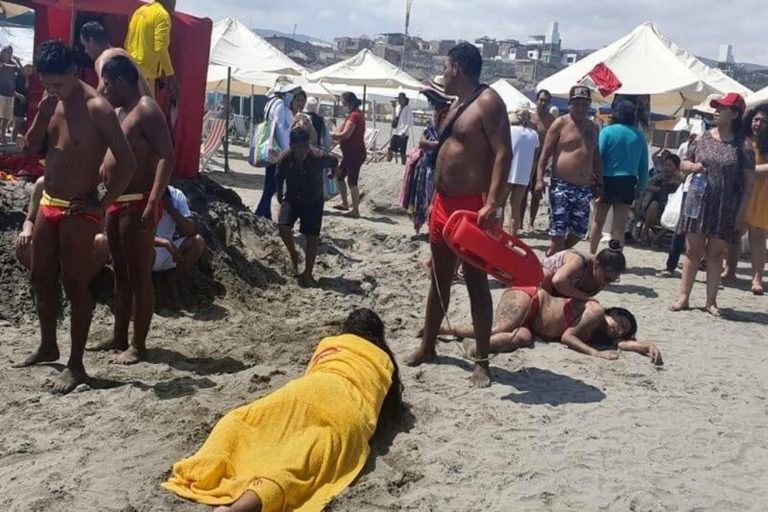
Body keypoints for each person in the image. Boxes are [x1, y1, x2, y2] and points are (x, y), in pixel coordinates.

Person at [162, 308, 405, 512]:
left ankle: (203, 469)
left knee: (243, 421)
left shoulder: (329, 343)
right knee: (299, 464)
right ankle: (239, 509)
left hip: (306, 390)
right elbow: (389, 407)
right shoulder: (383, 358)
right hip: (346, 408)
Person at [12, 41, 136, 393]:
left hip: (78, 210)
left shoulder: (98, 108)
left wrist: (103, 204)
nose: (53, 90)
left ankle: (76, 364)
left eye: (58, 84)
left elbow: (126, 161)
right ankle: (48, 344)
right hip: (48, 202)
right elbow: (31, 146)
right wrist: (42, 109)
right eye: (47, 84)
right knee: (39, 276)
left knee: (74, 283)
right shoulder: (52, 102)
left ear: (74, 73)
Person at [405, 42, 512, 388]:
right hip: (444, 204)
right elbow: (461, 146)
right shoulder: (458, 104)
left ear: (458, 69)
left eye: (446, 68)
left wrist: (493, 203)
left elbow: (502, 154)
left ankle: (482, 361)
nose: (443, 75)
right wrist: (435, 149)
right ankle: (429, 345)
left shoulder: (489, 101)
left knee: (477, 284)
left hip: (471, 206)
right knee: (439, 278)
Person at [94, 55, 176, 365]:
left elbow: (167, 156)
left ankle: (139, 346)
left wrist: (154, 201)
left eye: (106, 83)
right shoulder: (120, 112)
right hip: (117, 203)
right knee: (121, 274)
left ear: (119, 81)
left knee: (139, 275)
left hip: (139, 202)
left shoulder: (146, 109)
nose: (103, 89)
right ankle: (119, 336)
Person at [670, 93, 755, 316]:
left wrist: (742, 213)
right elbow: (683, 163)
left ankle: (711, 301)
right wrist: (694, 167)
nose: (716, 111)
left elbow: (748, 184)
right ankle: (684, 297)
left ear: (734, 114)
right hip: (697, 201)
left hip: (725, 206)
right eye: (716, 107)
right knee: (692, 251)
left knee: (716, 254)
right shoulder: (701, 138)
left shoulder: (743, 146)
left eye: (723, 108)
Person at [438, 288, 662, 366]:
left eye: (623, 330)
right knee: (498, 328)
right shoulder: (596, 311)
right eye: (620, 323)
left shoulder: (604, 332)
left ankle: (475, 345)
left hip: (534, 325)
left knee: (521, 339)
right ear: (612, 312)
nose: (618, 330)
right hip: (532, 298)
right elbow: (567, 337)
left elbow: (624, 344)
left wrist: (648, 346)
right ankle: (443, 330)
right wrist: (596, 353)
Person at [536, 86, 602, 256]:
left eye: (584, 104)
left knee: (578, 232)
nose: (581, 108)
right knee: (558, 232)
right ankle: (553, 270)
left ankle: (553, 255)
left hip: (583, 188)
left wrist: (600, 182)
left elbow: (596, 156)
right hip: (560, 185)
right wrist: (539, 179)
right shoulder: (560, 123)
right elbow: (545, 153)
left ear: (589, 105)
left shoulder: (593, 127)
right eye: (577, 104)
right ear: (570, 104)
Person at [276, 127, 338, 286]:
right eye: (298, 148)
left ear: (308, 144)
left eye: (305, 147)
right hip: (292, 198)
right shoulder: (284, 158)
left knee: (312, 236)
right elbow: (279, 178)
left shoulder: (318, 156)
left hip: (313, 200)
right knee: (283, 227)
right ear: (291, 146)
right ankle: (293, 254)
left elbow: (334, 160)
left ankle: (308, 273)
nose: (302, 151)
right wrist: (279, 197)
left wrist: (333, 173)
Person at [15, 177, 110, 277]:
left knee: (101, 243)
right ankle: (49, 276)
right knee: (23, 245)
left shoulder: (93, 187)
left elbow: (98, 227)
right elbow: (30, 219)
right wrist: (26, 231)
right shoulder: (43, 184)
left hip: (78, 249)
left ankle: (81, 280)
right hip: (49, 245)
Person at [588, 100, 648, 253]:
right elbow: (643, 166)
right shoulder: (639, 136)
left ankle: (592, 255)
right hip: (628, 180)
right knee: (619, 226)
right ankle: (615, 258)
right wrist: (641, 187)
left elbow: (598, 156)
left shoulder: (607, 132)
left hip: (606, 179)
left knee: (598, 221)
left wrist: (594, 180)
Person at [255, 82, 300, 220]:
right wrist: (287, 150)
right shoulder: (280, 104)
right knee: (273, 183)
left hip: (269, 145)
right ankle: (261, 210)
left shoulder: (270, 102)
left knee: (269, 180)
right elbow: (280, 128)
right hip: (277, 148)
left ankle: (265, 211)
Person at [80, 21, 152, 97]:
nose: (86, 51)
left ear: (91, 42)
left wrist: (91, 105)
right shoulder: (123, 53)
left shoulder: (103, 58)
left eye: (85, 46)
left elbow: (103, 87)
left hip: (132, 106)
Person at [124, 0, 179, 100]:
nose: (175, 3)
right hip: (145, 76)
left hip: (129, 71)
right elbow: (161, 48)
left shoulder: (138, 12)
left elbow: (127, 43)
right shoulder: (162, 15)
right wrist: (171, 77)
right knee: (148, 113)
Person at [152, 186, 206, 287]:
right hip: (147, 250)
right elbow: (138, 236)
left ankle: (169, 284)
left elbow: (190, 230)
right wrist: (165, 243)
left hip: (169, 252)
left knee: (197, 242)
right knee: (142, 248)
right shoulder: (141, 193)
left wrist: (171, 208)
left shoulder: (176, 195)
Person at [541, 239, 625, 300]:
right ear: (596, 264)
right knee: (546, 275)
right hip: (540, 284)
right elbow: (558, 281)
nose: (608, 282)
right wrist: (584, 296)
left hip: (562, 294)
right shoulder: (579, 262)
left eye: (614, 280)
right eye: (607, 278)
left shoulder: (600, 276)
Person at [742, 104, 768, 295]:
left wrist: (747, 172)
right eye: (755, 119)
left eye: (763, 121)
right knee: (734, 234)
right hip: (743, 192)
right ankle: (729, 269)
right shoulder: (743, 141)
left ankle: (757, 277)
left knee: (757, 238)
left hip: (762, 194)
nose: (757, 124)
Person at [523, 89, 556, 232]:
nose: (543, 103)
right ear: (536, 100)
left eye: (546, 101)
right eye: (541, 100)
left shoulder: (552, 120)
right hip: (527, 159)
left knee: (537, 193)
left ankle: (531, 222)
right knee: (522, 192)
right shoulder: (529, 118)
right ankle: (519, 222)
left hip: (542, 160)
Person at [504, 104, 539, 236]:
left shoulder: (509, 131)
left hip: (508, 173)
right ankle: (512, 237)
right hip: (524, 175)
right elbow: (535, 158)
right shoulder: (534, 135)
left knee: (500, 205)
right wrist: (530, 176)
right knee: (515, 208)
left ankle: (499, 235)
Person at [331, 91, 366, 218]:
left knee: (352, 181)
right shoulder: (354, 114)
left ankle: (355, 210)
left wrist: (332, 135)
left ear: (349, 102)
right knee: (340, 176)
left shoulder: (354, 116)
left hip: (355, 153)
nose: (342, 105)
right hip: (349, 153)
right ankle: (345, 203)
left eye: (344, 102)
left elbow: (345, 134)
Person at [637, 153, 681, 246]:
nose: (667, 167)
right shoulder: (659, 176)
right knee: (654, 204)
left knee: (674, 215)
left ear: (676, 168)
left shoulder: (679, 180)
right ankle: (645, 233)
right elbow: (646, 185)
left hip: (671, 208)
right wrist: (658, 188)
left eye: (670, 165)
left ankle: (658, 236)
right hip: (657, 208)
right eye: (666, 164)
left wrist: (675, 183)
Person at [0, 45, 17, 144]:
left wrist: (18, 62)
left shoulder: (13, 64)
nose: (9, 54)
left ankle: (2, 137)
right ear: (2, 52)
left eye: (11, 52)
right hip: (0, 93)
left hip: (10, 95)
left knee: (6, 117)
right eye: (7, 52)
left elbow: (22, 71)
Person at [389, 92, 413, 165]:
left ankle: (403, 164)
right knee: (391, 148)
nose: (399, 101)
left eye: (400, 99)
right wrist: (393, 107)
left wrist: (404, 131)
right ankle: (388, 162)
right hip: (396, 131)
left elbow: (409, 121)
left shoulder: (408, 108)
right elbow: (394, 117)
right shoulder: (397, 107)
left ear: (404, 99)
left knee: (402, 150)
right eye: (398, 99)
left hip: (403, 132)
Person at [11, 63, 32, 144]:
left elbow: (27, 87)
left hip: (25, 103)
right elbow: (11, 89)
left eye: (30, 71)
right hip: (17, 102)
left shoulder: (29, 78)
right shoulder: (17, 77)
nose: (29, 72)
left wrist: (27, 78)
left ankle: (22, 141)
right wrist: (18, 95)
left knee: (21, 123)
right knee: (17, 122)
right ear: (23, 68)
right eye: (27, 70)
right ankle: (12, 141)